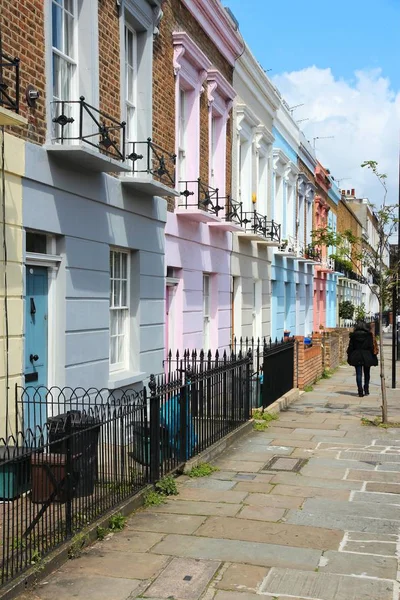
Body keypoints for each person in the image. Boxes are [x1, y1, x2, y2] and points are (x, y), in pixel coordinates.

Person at [347, 321, 378, 397]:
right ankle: (366, 388)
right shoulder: (368, 335)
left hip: (356, 355)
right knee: (367, 373)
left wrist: (349, 354)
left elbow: (351, 347)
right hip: (367, 355)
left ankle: (360, 390)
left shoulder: (353, 336)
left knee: (358, 374)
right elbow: (371, 346)